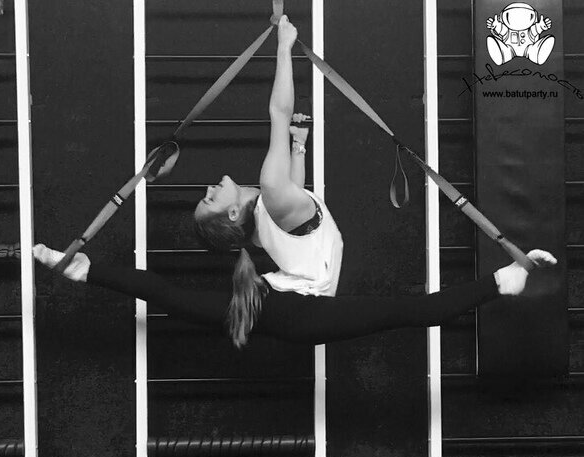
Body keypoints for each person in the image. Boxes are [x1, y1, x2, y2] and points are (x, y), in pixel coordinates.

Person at [33, 16, 558, 348]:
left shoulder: (266, 211)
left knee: (171, 295)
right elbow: (278, 113)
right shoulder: (268, 189)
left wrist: (300, 148)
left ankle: (83, 269)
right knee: (409, 310)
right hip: (299, 311)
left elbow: (301, 205)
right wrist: (284, 46)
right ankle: (502, 282)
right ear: (232, 213)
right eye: (211, 199)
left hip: (277, 304)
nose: (209, 188)